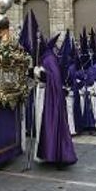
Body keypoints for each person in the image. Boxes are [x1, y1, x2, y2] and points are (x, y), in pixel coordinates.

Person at [31, 33, 78, 167]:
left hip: (47, 97)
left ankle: (50, 153)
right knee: (41, 124)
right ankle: (45, 153)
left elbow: (53, 78)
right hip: (42, 94)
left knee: (45, 123)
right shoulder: (45, 58)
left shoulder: (49, 59)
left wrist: (39, 73)